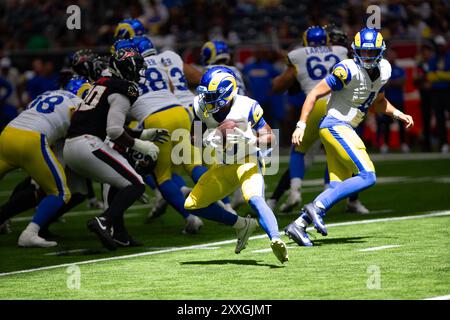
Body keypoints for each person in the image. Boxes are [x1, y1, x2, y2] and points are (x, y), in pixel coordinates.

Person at [286, 28, 414, 247]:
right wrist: (301, 124)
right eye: (362, 52)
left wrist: (398, 113)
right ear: (355, 51)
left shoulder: (384, 69)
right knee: (368, 176)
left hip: (345, 127)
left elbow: (379, 101)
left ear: (380, 52)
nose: (366, 56)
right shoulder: (347, 69)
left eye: (371, 52)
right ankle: (314, 208)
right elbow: (315, 93)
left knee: (337, 187)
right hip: (335, 125)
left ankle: (298, 225)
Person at [185, 66, 289, 263]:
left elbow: (270, 138)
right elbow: (193, 137)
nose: (206, 100)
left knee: (254, 198)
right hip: (224, 164)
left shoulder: (247, 106)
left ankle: (275, 238)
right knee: (192, 204)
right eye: (206, 95)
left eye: (212, 95)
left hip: (249, 159)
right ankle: (242, 224)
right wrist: (214, 137)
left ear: (226, 93)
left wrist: (247, 140)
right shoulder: (200, 105)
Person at [63, 48, 162, 250]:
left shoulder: (102, 84)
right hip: (88, 144)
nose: (140, 73)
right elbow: (115, 131)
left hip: (72, 147)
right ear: (129, 69)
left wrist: (142, 134)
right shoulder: (122, 90)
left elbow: (103, 123)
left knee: (119, 184)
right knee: (136, 184)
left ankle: (120, 234)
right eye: (138, 68)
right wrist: (141, 145)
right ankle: (104, 221)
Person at [0, 78, 87, 247]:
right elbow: (79, 129)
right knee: (60, 193)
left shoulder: (46, 94)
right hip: (33, 140)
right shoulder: (78, 102)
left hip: (7, 134)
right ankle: (30, 233)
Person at [377, 48, 409, 153]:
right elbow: (382, 82)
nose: (392, 57)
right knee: (385, 123)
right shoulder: (383, 70)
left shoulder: (399, 69)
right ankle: (385, 144)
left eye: (393, 55)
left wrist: (391, 82)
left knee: (401, 123)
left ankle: (403, 144)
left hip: (398, 99)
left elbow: (403, 81)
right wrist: (393, 82)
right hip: (387, 101)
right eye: (390, 55)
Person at [427, 35, 450, 154]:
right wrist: (444, 75)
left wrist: (439, 75)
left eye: (441, 45)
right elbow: (430, 77)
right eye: (438, 46)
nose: (440, 47)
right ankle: (443, 144)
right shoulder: (433, 59)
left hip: (447, 91)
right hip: (436, 92)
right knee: (440, 119)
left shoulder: (449, 57)